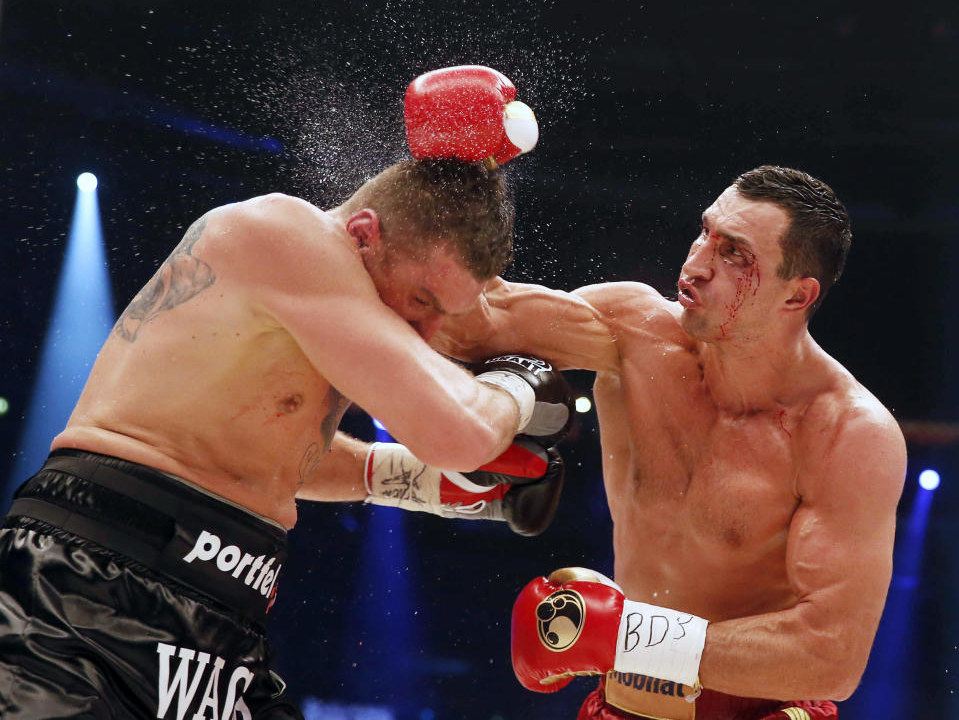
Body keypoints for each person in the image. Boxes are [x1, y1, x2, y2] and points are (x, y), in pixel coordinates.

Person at [0, 67, 571, 718]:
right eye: (421, 299)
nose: (428, 331)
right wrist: (518, 386)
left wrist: (437, 488)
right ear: (363, 233)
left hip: (226, 615)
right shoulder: (285, 233)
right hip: (83, 590)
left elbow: (277, 454)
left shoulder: (328, 309)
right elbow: (460, 432)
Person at [433, 165, 907, 719]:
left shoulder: (845, 434)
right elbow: (461, 325)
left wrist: (620, 638)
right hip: (619, 703)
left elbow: (833, 659)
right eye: (705, 232)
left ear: (796, 296)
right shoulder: (633, 331)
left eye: (735, 254)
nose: (697, 264)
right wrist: (457, 180)